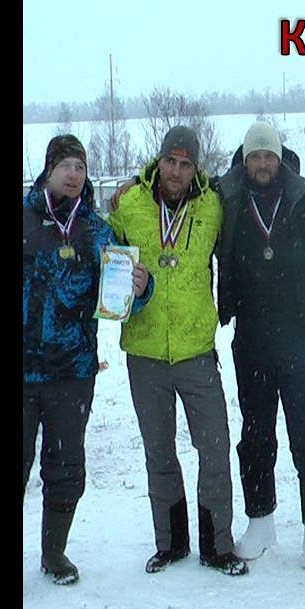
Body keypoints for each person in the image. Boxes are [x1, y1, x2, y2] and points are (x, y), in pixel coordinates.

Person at [106, 125, 247, 576]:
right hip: (145, 351)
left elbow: (259, 185)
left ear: (195, 168)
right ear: (159, 160)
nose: (177, 171)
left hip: (196, 349)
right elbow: (99, 247)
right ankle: (170, 544)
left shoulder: (213, 204)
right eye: (171, 161)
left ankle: (217, 545)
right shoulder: (129, 204)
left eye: (186, 164)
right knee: (159, 452)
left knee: (215, 448)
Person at [215, 121, 305, 569]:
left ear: (279, 158)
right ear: (245, 159)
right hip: (252, 337)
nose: (262, 164)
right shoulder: (227, 198)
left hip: (300, 338)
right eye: (255, 156)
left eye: (268, 156)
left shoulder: (301, 197)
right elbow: (178, 201)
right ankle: (261, 522)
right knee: (255, 436)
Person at [24, 134, 152, 584]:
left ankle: (54, 553)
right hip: (23, 370)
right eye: (66, 166)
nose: (74, 174)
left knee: (65, 466)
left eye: (80, 166)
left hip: (73, 372)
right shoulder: (23, 220)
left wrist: (141, 288)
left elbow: (119, 300)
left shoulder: (98, 231)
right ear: (49, 170)